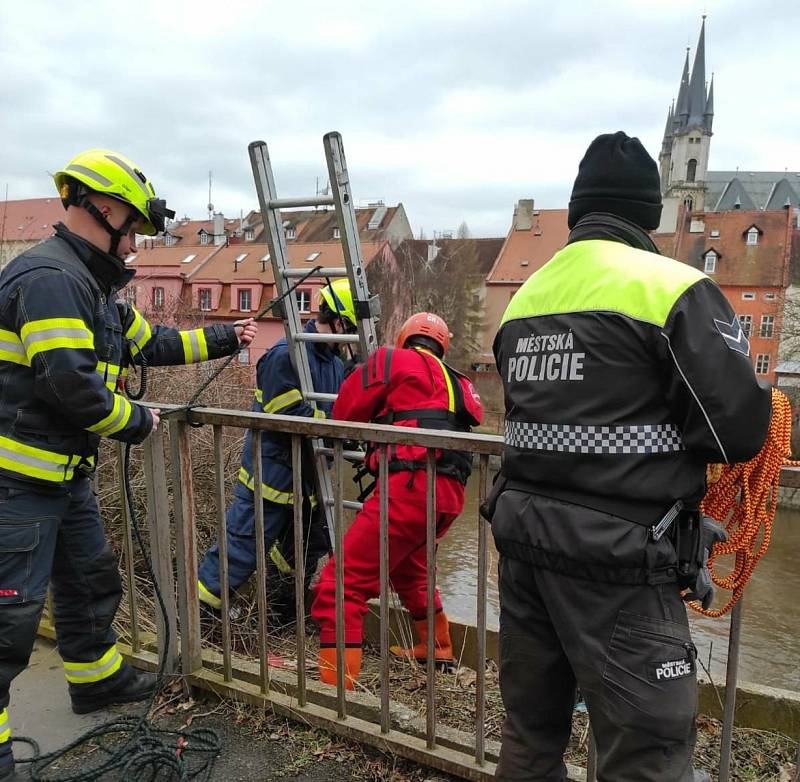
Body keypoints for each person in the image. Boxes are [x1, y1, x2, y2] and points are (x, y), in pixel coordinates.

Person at [486, 131, 771, 782]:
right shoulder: (670, 287)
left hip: (525, 549)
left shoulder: (528, 296)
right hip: (619, 564)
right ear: (650, 214)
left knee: (530, 739)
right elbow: (736, 433)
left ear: (580, 210)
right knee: (647, 753)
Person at [0, 148, 257, 779]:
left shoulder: (95, 288)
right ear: (106, 209)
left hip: (62, 475)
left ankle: (96, 681)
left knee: (89, 581)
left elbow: (156, 343)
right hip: (17, 484)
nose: (137, 238)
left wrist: (229, 335)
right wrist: (138, 422)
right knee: (9, 618)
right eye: (136, 225)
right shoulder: (52, 280)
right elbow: (72, 387)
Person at [311, 312, 483, 689]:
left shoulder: (392, 359)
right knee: (411, 569)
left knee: (343, 583)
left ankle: (336, 689)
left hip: (410, 486)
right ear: (443, 345)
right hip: (450, 495)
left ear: (406, 336)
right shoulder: (457, 380)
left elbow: (344, 415)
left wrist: (361, 376)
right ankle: (436, 648)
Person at [197, 279, 357, 622]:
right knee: (240, 550)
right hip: (270, 480)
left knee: (301, 551)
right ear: (340, 321)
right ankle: (199, 622)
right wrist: (340, 424)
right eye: (351, 330)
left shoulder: (334, 363)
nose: (350, 341)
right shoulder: (286, 356)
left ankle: (280, 617)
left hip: (307, 483)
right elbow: (289, 417)